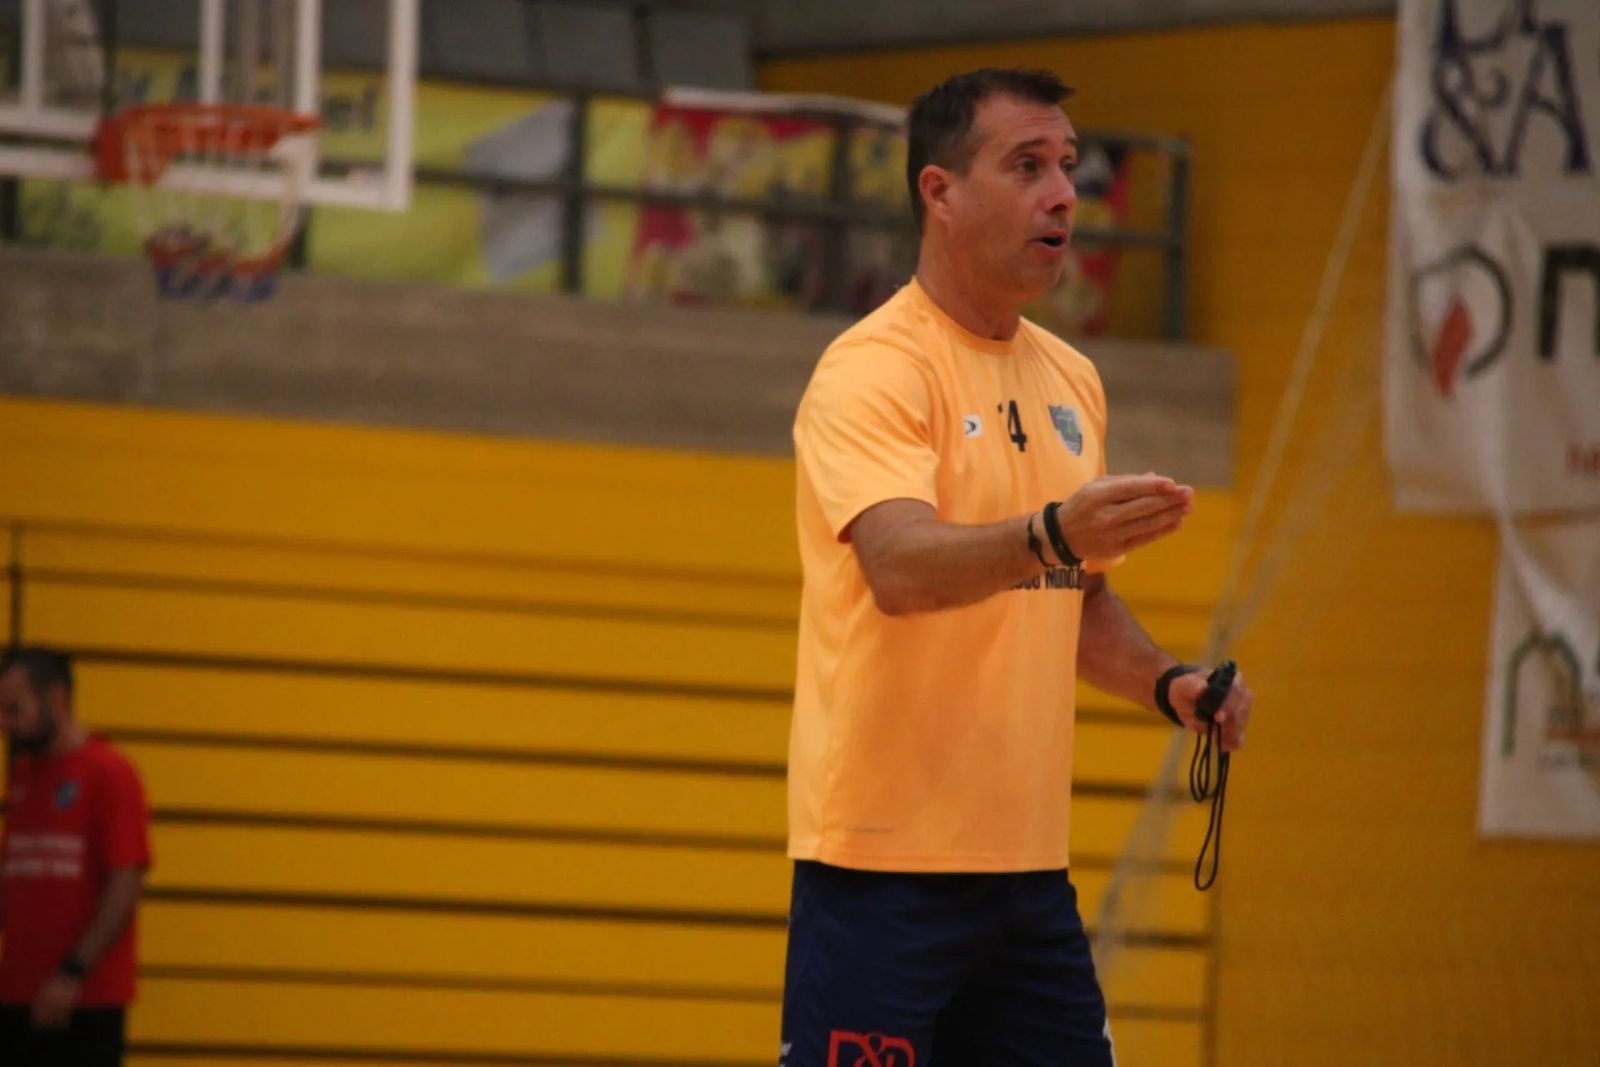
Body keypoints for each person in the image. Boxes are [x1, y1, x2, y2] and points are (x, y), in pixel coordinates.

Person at [781, 68, 1253, 1066]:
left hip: (1027, 877)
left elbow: (1072, 594)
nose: (1063, 194)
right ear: (940, 192)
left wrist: (1165, 681)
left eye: (1068, 166)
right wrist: (1051, 532)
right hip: (880, 872)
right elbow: (900, 568)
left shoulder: (1071, 377)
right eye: (1027, 166)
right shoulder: (874, 369)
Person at [0, 647, 151, 1067]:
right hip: (18, 991)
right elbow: (19, 874)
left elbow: (125, 883)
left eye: (14, 710)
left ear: (57, 700)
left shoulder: (109, 774)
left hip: (85, 1000)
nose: (4, 724)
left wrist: (73, 971)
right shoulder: (25, 775)